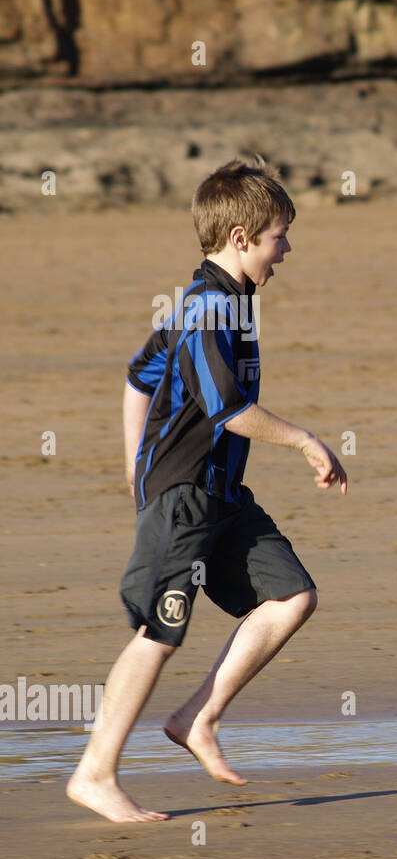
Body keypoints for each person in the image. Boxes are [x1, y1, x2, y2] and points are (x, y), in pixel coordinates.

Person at [67, 158, 348, 823]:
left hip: (222, 495)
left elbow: (140, 378)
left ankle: (198, 718)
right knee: (158, 633)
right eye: (281, 234)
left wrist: (135, 466)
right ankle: (94, 772)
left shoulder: (225, 302)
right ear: (243, 238)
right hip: (185, 496)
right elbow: (227, 410)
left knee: (292, 596)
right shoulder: (207, 309)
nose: (288, 250)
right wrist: (308, 440)